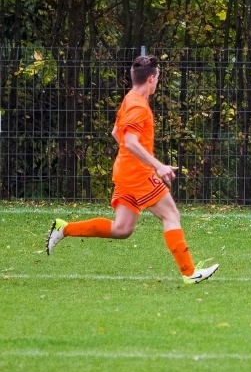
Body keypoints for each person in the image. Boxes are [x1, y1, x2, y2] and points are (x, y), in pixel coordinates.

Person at [46, 55, 219, 284]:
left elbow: (116, 133)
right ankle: (189, 273)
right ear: (151, 79)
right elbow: (129, 142)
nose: (158, 82)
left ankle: (64, 229)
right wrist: (157, 166)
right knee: (171, 215)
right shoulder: (138, 106)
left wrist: (134, 159)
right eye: (158, 78)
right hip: (137, 175)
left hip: (126, 172)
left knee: (122, 229)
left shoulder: (130, 99)